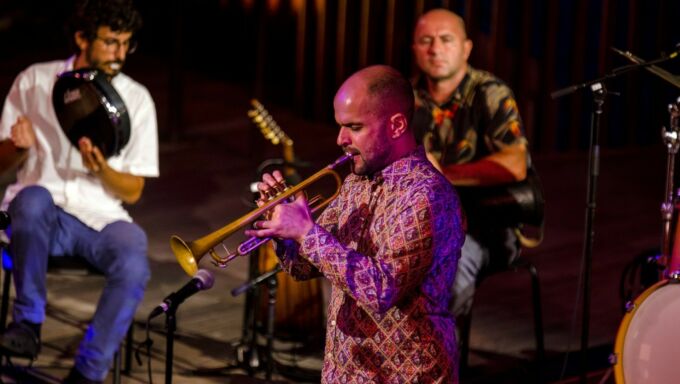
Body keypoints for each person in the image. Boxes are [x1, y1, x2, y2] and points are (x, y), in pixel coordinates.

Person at [246, 65, 465, 383]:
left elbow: (381, 290)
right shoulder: (354, 182)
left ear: (397, 125)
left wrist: (307, 231)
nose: (340, 139)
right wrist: (283, 232)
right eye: (340, 126)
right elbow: (306, 268)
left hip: (405, 375)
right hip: (346, 372)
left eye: (354, 127)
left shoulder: (427, 195)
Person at [0, 0, 158, 383]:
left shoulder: (136, 99)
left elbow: (133, 190)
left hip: (99, 216)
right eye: (110, 42)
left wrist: (103, 169)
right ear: (82, 38)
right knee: (34, 199)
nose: (120, 54)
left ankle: (88, 373)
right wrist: (17, 147)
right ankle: (28, 325)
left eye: (127, 43)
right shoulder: (35, 81)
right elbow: (2, 164)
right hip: (38, 220)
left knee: (134, 254)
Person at [411, 8, 531, 318]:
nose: (435, 49)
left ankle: (436, 359)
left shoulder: (489, 93)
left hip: (484, 225)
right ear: (414, 49)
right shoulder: (406, 98)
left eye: (446, 40)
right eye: (426, 40)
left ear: (466, 48)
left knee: (443, 282)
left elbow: (515, 163)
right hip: (419, 225)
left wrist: (444, 175)